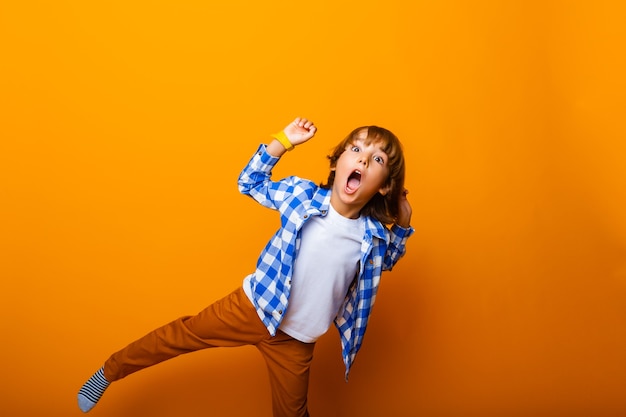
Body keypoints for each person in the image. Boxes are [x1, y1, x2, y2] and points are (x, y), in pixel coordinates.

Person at [78, 117, 414, 417]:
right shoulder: (302, 195)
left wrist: (403, 222)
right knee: (181, 335)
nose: (363, 158)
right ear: (338, 160)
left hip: (295, 341)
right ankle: (110, 369)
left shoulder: (371, 237)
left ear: (384, 185)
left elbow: (386, 263)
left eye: (377, 159)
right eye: (355, 148)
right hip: (252, 307)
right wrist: (281, 142)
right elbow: (249, 183)